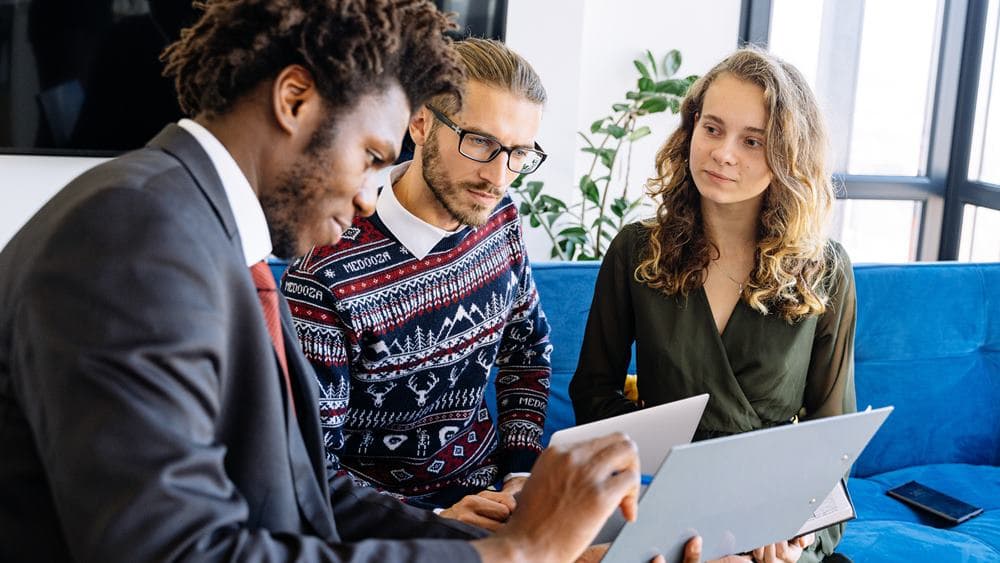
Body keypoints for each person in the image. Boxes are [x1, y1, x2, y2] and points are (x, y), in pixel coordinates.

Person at [0, 2, 654, 561]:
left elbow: (307, 487)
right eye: (372, 154)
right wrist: (514, 553)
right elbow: (183, 550)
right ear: (294, 101)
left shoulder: (201, 230)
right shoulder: (133, 235)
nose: (370, 197)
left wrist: (513, 546)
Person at [569, 47, 857, 563]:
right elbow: (593, 393)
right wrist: (666, 494)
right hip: (666, 507)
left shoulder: (825, 267)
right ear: (691, 129)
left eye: (753, 141)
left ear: (789, 156)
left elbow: (831, 435)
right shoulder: (636, 250)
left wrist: (800, 536)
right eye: (713, 128)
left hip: (773, 525)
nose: (724, 153)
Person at [282, 37, 552, 531]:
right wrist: (435, 519)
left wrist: (520, 471)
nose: (499, 176)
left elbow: (527, 350)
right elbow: (311, 466)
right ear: (422, 122)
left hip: (496, 501)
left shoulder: (500, 217)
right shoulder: (324, 275)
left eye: (519, 154)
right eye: (481, 143)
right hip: (394, 530)